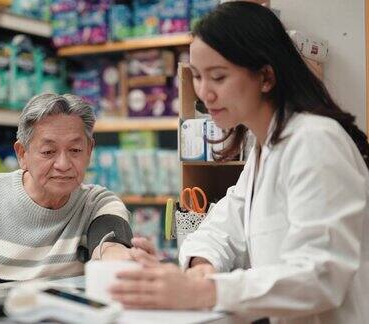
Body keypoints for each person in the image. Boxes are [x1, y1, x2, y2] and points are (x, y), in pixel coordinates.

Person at [110, 2, 369, 323]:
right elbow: (219, 229)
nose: (205, 94)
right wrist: (198, 270)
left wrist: (203, 291)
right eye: (198, 77)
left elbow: (320, 277)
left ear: (265, 77)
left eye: (218, 77)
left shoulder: (315, 141)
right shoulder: (265, 149)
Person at [0, 93, 134, 286]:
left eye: (75, 150)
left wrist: (116, 255)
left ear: (89, 151)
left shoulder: (98, 202)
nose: (63, 164)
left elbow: (111, 244)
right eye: (48, 151)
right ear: (22, 154)